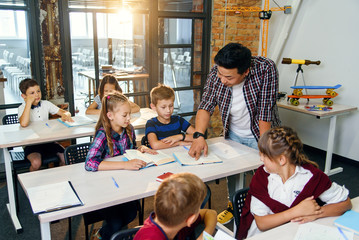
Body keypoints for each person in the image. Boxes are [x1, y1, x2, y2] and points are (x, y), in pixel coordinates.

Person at [188, 43, 281, 224]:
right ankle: (233, 206)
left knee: (268, 174)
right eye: (220, 74)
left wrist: (264, 146)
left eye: (228, 77)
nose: (222, 80)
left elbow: (265, 112)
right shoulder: (218, 72)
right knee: (233, 173)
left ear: (245, 71)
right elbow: (206, 105)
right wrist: (199, 135)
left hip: (261, 133)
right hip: (233, 133)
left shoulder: (266, 69)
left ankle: (268, 212)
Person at [237, 126, 352, 239]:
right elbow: (262, 224)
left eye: (264, 155)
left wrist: (316, 213)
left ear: (282, 160)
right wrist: (296, 211)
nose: (261, 159)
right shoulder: (261, 176)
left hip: (295, 234)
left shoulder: (311, 177)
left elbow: (346, 203)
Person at [85, 91, 157, 240]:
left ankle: (104, 233)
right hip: (104, 189)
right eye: (124, 115)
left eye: (129, 114)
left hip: (124, 185)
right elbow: (90, 163)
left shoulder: (129, 129)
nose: (129, 118)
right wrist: (124, 165)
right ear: (110, 115)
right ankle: (104, 235)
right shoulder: (103, 134)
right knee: (116, 221)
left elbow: (129, 152)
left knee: (131, 213)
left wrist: (140, 149)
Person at [134, 172, 217, 240]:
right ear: (190, 219)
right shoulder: (151, 237)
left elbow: (210, 213)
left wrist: (204, 236)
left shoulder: (170, 220)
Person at [18, 78, 73, 171]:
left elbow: (65, 112)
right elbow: (23, 123)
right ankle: (33, 185)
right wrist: (28, 104)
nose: (36, 95)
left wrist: (65, 115)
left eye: (38, 91)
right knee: (36, 163)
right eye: (32, 93)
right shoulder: (22, 108)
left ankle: (60, 181)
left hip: (48, 141)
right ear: (23, 96)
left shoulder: (46, 104)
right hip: (31, 144)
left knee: (66, 158)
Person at [145, 84, 195, 149]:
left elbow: (198, 136)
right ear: (153, 107)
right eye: (163, 107)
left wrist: (179, 137)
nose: (168, 110)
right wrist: (178, 143)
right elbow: (155, 145)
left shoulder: (178, 120)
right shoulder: (151, 123)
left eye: (171, 106)